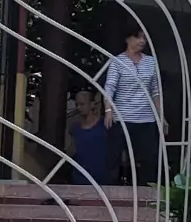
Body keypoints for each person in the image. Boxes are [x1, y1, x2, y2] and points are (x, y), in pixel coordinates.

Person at [102, 25, 163, 190]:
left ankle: (147, 195)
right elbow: (109, 88)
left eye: (144, 38)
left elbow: (155, 92)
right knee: (113, 158)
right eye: (138, 37)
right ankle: (111, 193)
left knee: (149, 159)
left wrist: (160, 116)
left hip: (146, 119)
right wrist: (108, 110)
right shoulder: (118, 61)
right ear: (128, 39)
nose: (142, 41)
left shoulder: (151, 62)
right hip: (122, 117)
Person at [65, 87, 108, 185]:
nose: (79, 108)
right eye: (77, 105)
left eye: (82, 104)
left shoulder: (104, 125)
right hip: (80, 178)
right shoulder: (75, 128)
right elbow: (72, 151)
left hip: (102, 180)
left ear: (92, 104)